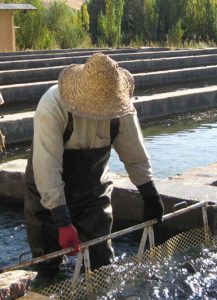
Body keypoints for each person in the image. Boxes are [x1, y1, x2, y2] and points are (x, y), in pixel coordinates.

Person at [24, 53, 164, 273]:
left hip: (92, 193)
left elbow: (134, 153)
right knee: (47, 265)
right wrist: (62, 221)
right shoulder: (53, 105)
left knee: (101, 263)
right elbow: (47, 168)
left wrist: (150, 195)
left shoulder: (121, 107)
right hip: (45, 195)